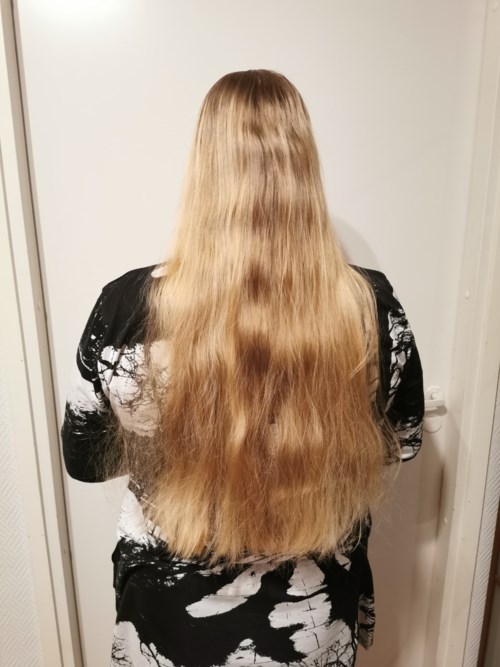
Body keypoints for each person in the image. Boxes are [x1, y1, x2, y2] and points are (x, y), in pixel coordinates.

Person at [61, 69, 424, 667]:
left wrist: (182, 439)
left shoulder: (125, 308)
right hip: (311, 616)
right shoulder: (371, 307)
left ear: (203, 171)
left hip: (168, 616)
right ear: (304, 168)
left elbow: (83, 459)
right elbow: (399, 444)